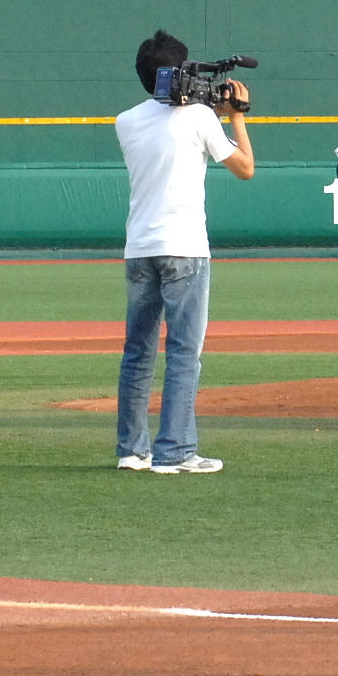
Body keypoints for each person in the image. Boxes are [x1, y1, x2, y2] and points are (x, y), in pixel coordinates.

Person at [113, 29, 254, 474]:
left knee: (138, 352)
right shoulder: (200, 119)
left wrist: (207, 106)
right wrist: (235, 116)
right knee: (182, 352)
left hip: (140, 248)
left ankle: (132, 451)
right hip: (185, 249)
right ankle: (175, 451)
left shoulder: (126, 120)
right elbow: (245, 169)